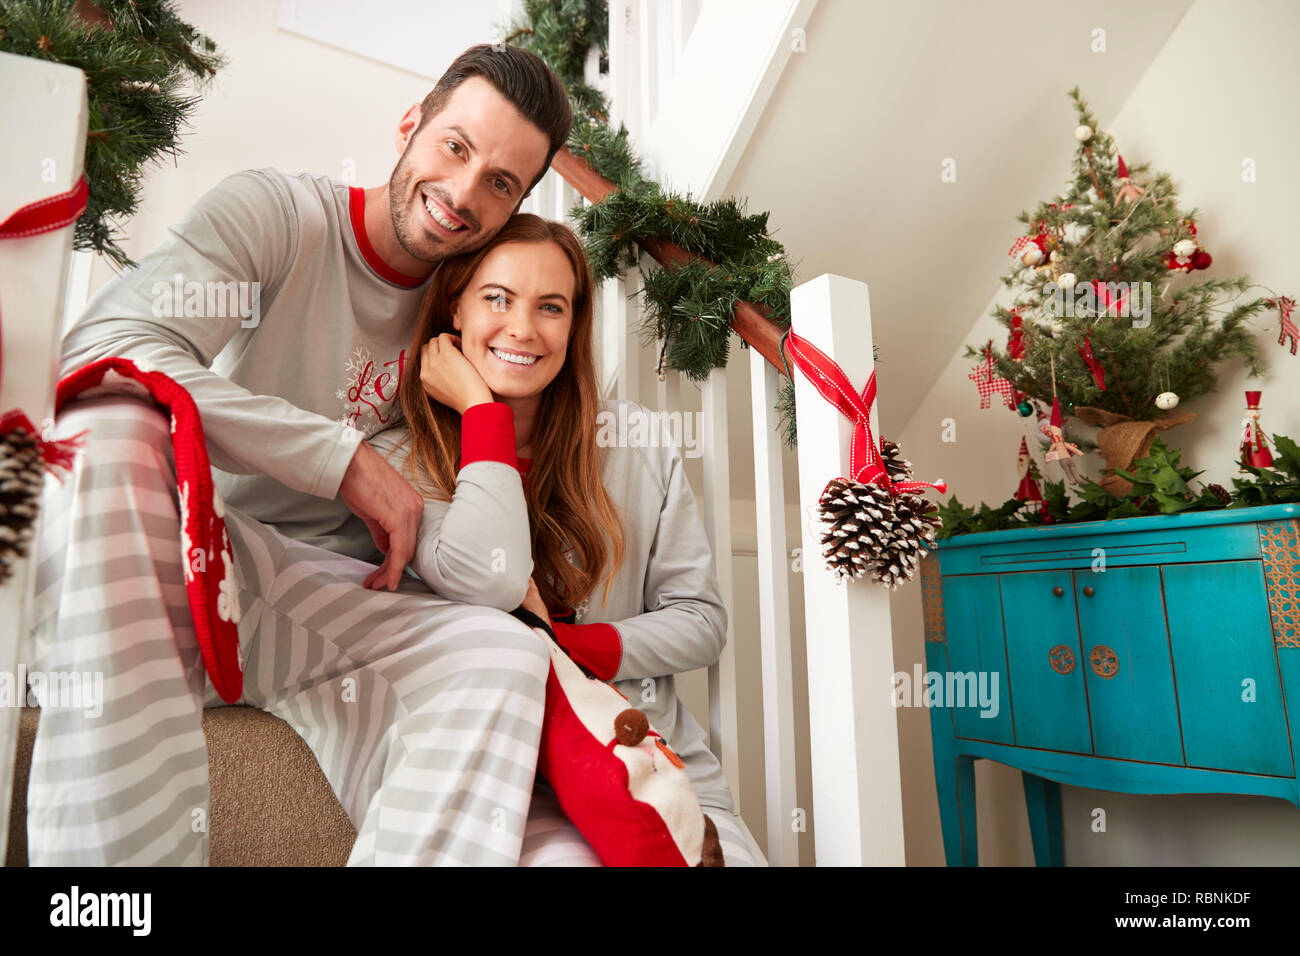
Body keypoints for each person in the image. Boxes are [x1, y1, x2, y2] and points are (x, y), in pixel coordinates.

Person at [28, 44, 584, 865]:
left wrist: (476, 409)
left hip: (320, 601)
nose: (464, 194)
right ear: (411, 125)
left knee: (504, 650)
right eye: (456, 147)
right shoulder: (281, 216)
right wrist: (344, 460)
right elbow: (108, 346)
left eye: (500, 182)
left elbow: (488, 573)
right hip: (194, 555)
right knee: (115, 420)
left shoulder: (463, 318)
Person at [365, 213, 760, 866]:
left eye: (550, 307)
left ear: (573, 325)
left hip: (654, 757)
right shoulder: (399, 463)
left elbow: (701, 619)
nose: (522, 329)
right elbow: (484, 576)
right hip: (508, 775)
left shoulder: (634, 441)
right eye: (497, 298)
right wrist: (484, 417)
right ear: (454, 307)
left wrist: (569, 645)